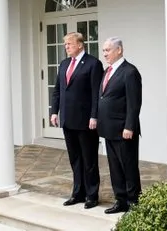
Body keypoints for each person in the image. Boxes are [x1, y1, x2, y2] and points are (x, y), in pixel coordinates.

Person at [50, 32, 104, 209]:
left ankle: (92, 195)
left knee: (89, 160)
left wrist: (94, 116)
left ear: (80, 45)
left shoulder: (93, 64)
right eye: (65, 44)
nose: (66, 46)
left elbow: (97, 93)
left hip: (86, 121)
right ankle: (78, 193)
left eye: (69, 43)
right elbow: (57, 90)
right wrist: (54, 111)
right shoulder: (64, 64)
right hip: (67, 119)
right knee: (75, 159)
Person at [97, 37, 142, 214]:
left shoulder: (130, 72)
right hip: (109, 129)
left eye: (108, 50)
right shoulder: (107, 71)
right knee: (114, 167)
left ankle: (134, 202)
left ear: (119, 50)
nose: (105, 53)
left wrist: (129, 127)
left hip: (124, 130)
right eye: (104, 50)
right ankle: (120, 200)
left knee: (128, 167)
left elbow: (134, 103)